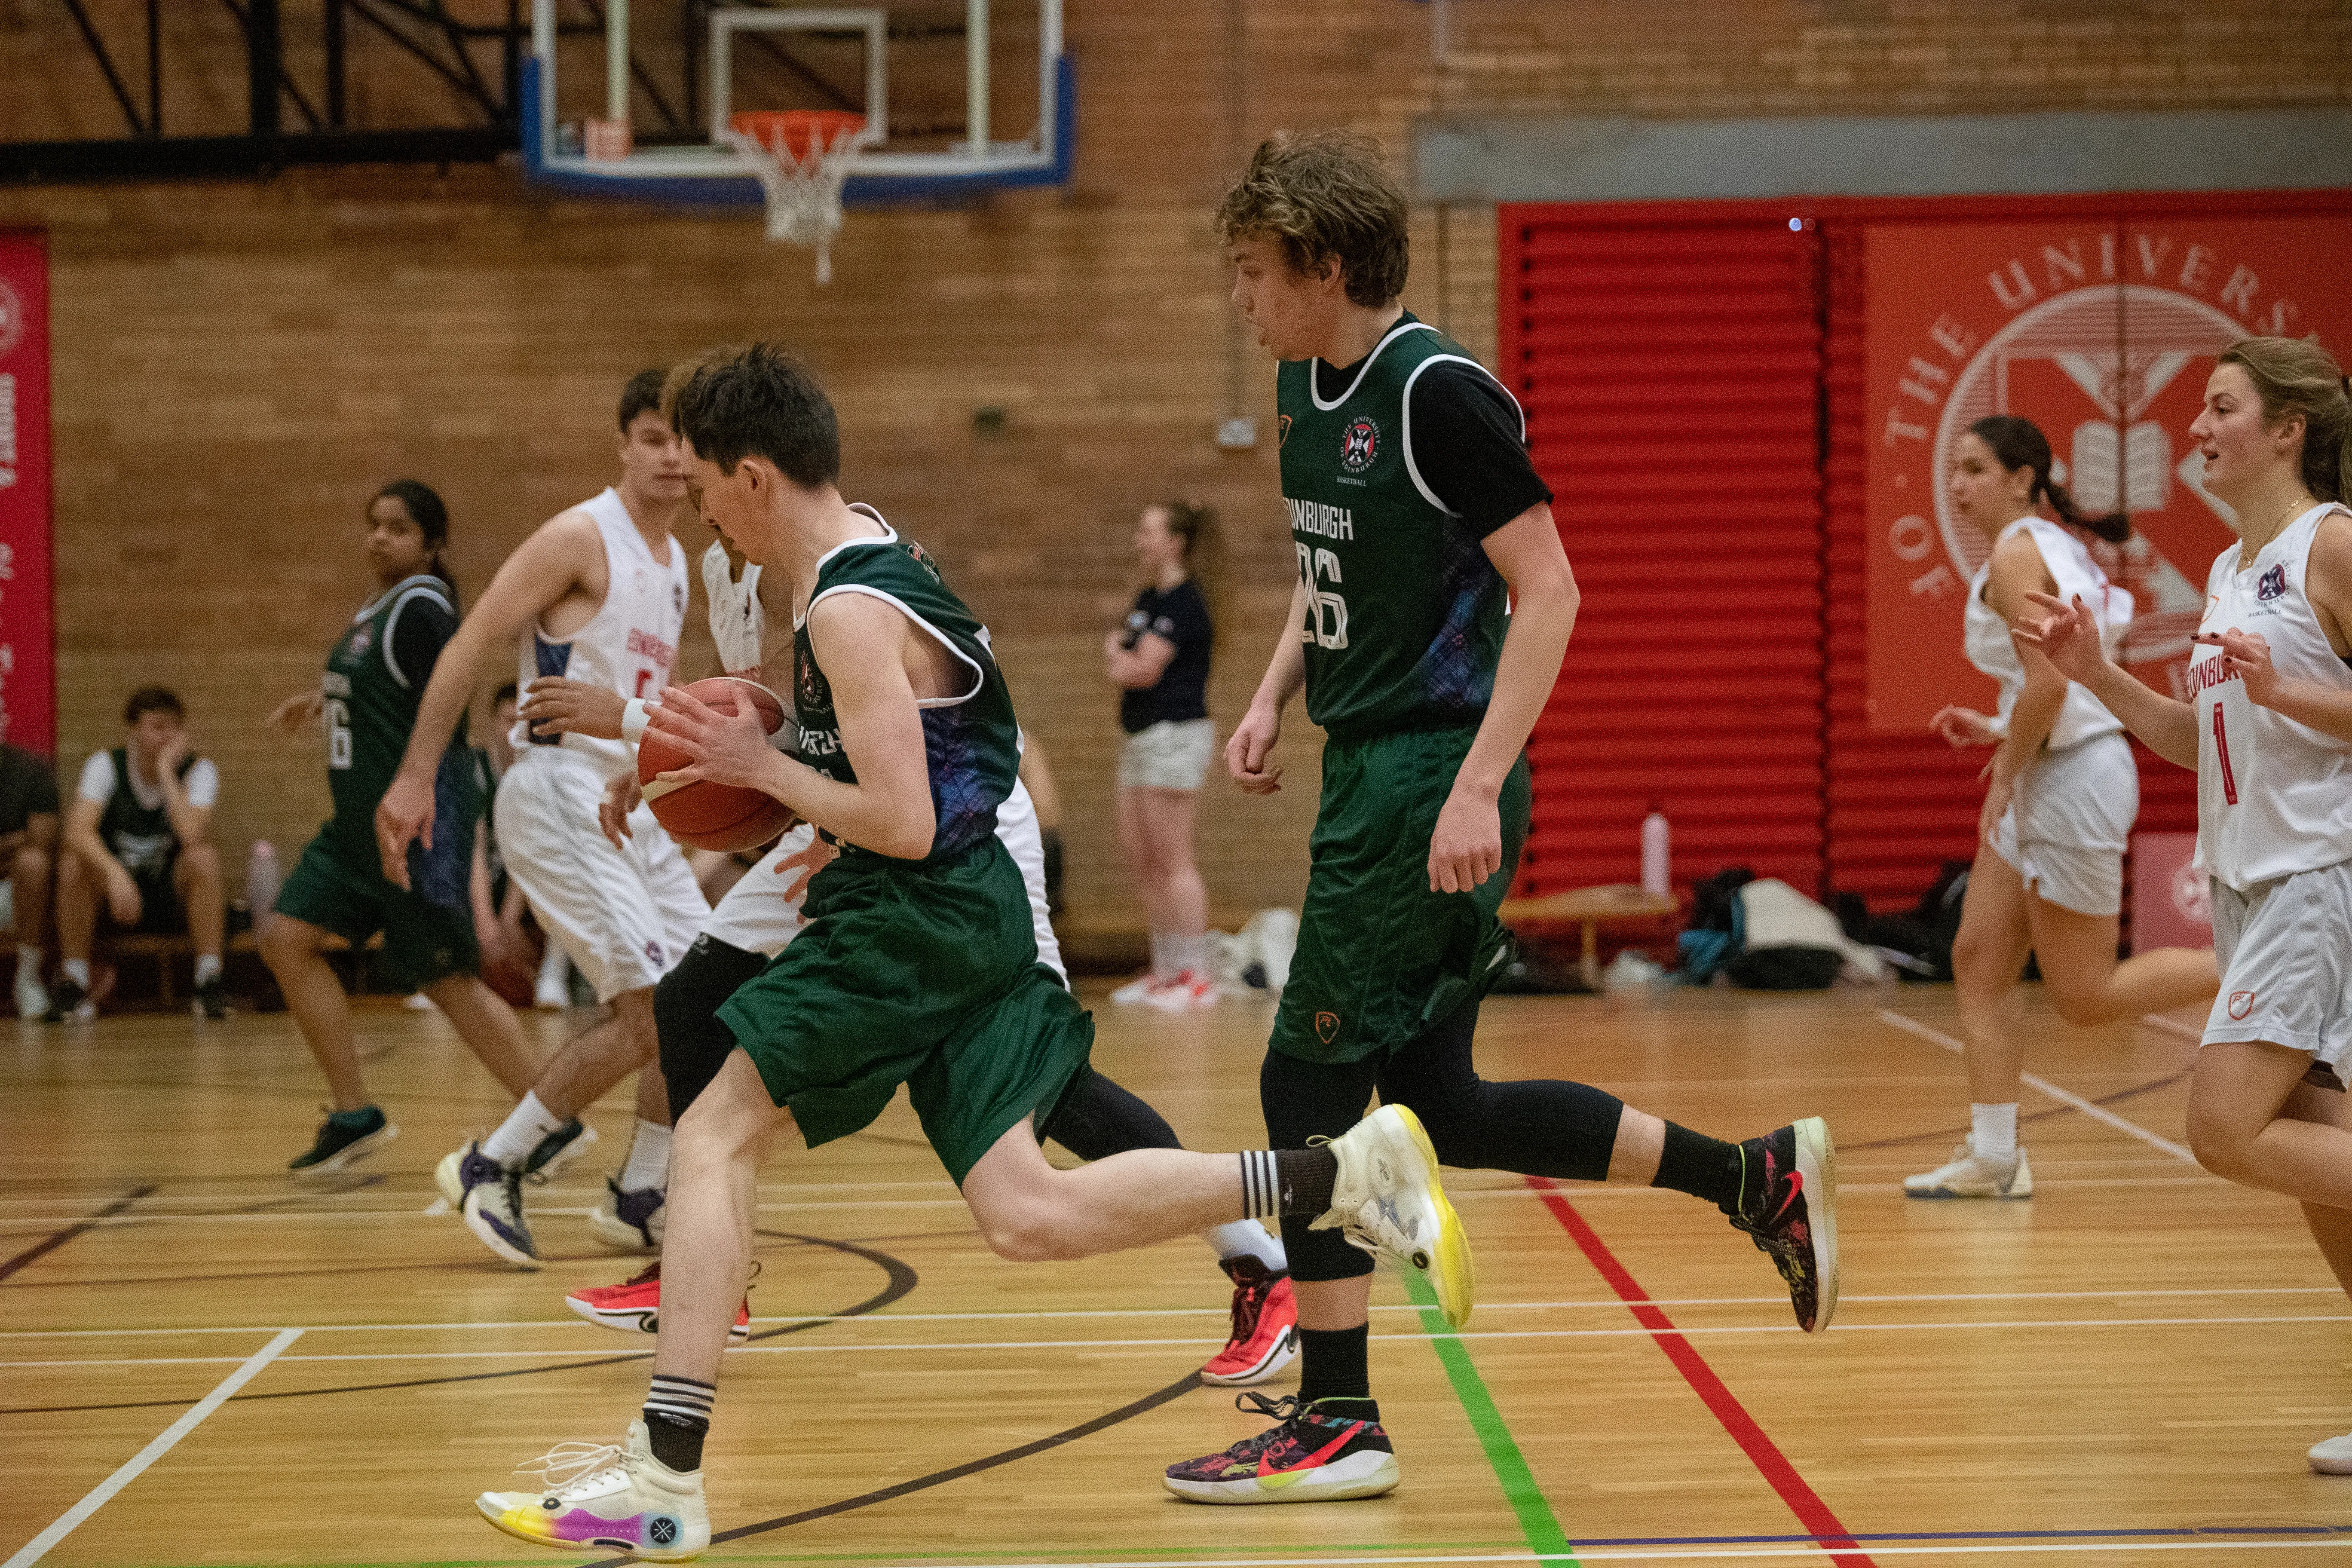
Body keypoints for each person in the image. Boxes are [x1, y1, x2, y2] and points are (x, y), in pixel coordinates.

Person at [470, 345, 1452, 1562]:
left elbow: (902, 818)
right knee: (1026, 1214)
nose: (704, 506)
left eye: (714, 485)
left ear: (758, 476)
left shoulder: (842, 607)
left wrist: (754, 770)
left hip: (914, 912)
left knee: (716, 1127)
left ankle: (663, 1476)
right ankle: (1337, 1178)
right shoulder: (870, 561)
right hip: (964, 909)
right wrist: (743, 750)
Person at [1165, 131, 1839, 1505]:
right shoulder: (1305, 383)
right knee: (1444, 1105)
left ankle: (1340, 1417)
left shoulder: (1439, 394)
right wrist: (1273, 687)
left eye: (1253, 270)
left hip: (1427, 774)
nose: (1237, 296)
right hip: (1368, 761)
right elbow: (1331, 558)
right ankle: (1754, 1178)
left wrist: (1474, 783)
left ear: (1328, 265)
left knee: (1305, 1087)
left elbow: (1555, 590)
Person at [541, 372, 1296, 1382]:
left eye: (696, 461)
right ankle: (707, 1266)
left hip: (956, 840)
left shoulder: (837, 568)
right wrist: (687, 764)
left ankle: (1262, 1260)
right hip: (878, 827)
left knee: (1053, 1088)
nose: (687, 482)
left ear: (748, 470)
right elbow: (794, 707)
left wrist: (666, 737)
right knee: (695, 1011)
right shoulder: (769, 553)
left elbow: (865, 744)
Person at [2021, 336, 2352, 1475]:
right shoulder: (2225, 570)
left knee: (2225, 1126)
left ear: (2287, 429)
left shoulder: (2332, 545)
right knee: (2317, 1143)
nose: (2197, 427)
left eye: (2220, 407)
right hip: (2251, 882)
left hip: (2319, 874)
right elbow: (2195, 740)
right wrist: (2100, 676)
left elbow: (2303, 708)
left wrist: (2287, 688)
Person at [376, 370, 710, 1266]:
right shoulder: (579, 535)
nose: (672, 456)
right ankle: (494, 1164)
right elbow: (471, 639)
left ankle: (642, 1192)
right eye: (653, 437)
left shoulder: (677, 564)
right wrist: (415, 780)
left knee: (709, 996)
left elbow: (642, 695)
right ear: (624, 447)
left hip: (622, 798)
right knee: (645, 1011)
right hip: (558, 790)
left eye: (683, 439)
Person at [1906, 418, 2219, 1200]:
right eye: (1953, 469)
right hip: (2056, 764)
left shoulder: (2018, 550)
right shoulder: (2049, 544)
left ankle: (2255, 966)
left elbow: (2050, 684)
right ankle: (1994, 1155)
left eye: (1974, 468)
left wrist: (2006, 769)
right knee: (1978, 959)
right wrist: (1996, 729)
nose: (1956, 484)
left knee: (2082, 996)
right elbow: (2048, 685)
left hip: (2070, 776)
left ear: (2022, 478)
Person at [262, 481, 545, 1173]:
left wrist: (433, 812)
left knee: (447, 980)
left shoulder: (422, 606)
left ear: (431, 543)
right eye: (373, 525)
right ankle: (355, 1112)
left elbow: (446, 701)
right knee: (285, 938)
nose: (379, 538)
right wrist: (326, 700)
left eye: (397, 528)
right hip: (355, 831)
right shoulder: (379, 610)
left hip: (410, 829)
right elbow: (390, 693)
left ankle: (550, 1119)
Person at [1104, 499, 1221, 1010]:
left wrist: (1115, 654)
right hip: (1141, 736)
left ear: (1176, 541)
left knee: (1174, 860)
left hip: (1174, 735)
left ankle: (1196, 977)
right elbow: (1130, 655)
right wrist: (1122, 655)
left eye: (1149, 531)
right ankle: (1167, 972)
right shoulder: (1150, 597)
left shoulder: (1185, 603)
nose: (1139, 540)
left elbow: (1139, 669)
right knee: (1144, 860)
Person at [49, 688, 227, 1021]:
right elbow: (77, 831)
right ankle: (75, 982)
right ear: (133, 729)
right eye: (158, 727)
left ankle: (209, 981)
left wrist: (165, 772)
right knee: (74, 862)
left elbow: (190, 834)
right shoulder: (105, 765)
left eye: (174, 728)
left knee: (204, 858)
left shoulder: (198, 770)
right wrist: (115, 874)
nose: (167, 736)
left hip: (167, 893)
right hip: (115, 896)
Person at [0, 727, 60, 1019]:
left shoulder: (31, 770)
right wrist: (14, 840)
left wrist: (21, 844)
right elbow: (25, 837)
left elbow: (41, 838)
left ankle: (28, 976)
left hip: (13, 893)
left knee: (33, 864)